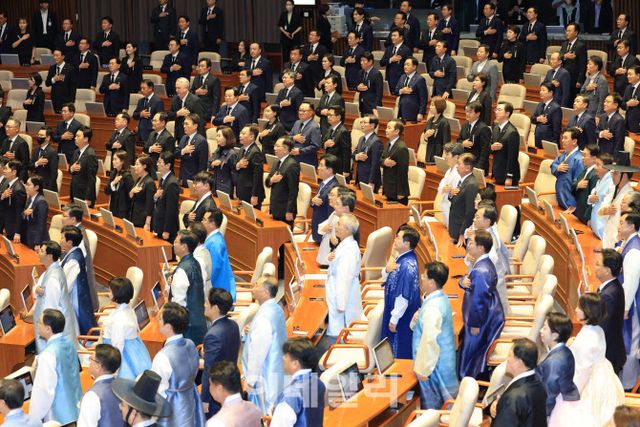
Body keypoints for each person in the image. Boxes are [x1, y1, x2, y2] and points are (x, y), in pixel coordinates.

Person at [570, 293, 625, 425]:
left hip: (590, 382)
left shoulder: (587, 338)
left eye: (579, 307)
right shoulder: (597, 329)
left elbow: (582, 372)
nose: (576, 310)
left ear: (588, 311)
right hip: (603, 375)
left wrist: (571, 395)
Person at [412, 261, 459, 409]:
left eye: (424, 276)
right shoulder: (440, 298)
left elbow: (429, 341)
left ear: (432, 283)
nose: (421, 278)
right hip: (443, 361)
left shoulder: (432, 308)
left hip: (434, 367)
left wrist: (423, 369)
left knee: (434, 408)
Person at [458, 230, 504, 378]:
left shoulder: (481, 271)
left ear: (480, 248)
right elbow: (470, 281)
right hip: (487, 312)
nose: (468, 245)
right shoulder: (482, 263)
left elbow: (479, 300)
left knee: (473, 351)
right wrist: (462, 282)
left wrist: (475, 324)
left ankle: (471, 379)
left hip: (481, 319)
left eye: (471, 243)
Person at [152, 302, 205, 426]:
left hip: (173, 406)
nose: (158, 321)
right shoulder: (190, 343)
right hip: (191, 397)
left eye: (160, 319)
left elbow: (159, 393)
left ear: (168, 327)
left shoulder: (162, 357)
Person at [242, 275, 287, 414]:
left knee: (263, 414)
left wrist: (250, 381)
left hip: (264, 377)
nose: (253, 288)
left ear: (266, 292)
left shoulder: (263, 318)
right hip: (278, 371)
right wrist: (251, 330)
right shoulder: (277, 308)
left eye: (257, 285)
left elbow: (257, 353)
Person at [30, 309, 82, 425]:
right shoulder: (70, 344)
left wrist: (33, 418)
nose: (37, 324)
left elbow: (44, 391)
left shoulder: (47, 355)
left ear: (48, 329)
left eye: (39, 322)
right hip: (76, 408)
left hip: (59, 417)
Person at [380, 226, 421, 359]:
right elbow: (389, 277)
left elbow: (403, 296)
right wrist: (386, 270)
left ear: (406, 244)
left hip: (401, 317)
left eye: (398, 238)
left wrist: (394, 319)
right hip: (393, 309)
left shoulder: (407, 266)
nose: (395, 240)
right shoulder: (404, 258)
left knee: (397, 350)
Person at [29, 241, 76, 353]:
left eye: (42, 251)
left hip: (53, 331)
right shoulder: (53, 270)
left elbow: (51, 309)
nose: (39, 253)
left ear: (50, 256)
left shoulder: (52, 279)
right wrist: (36, 289)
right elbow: (39, 288)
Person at [102, 277, 152, 380]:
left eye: (110, 291)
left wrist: (113, 371)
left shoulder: (118, 320)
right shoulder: (128, 309)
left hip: (123, 356)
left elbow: (117, 346)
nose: (108, 294)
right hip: (134, 350)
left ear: (116, 294)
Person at [201, 289, 239, 417]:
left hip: (217, 394)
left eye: (207, 303)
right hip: (231, 385)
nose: (204, 305)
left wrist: (204, 399)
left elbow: (208, 370)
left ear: (215, 308)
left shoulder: (213, 335)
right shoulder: (233, 325)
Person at [491, 339, 547, 426]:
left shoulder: (513, 398)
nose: (506, 359)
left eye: (509, 355)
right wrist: (500, 406)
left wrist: (504, 405)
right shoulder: (539, 386)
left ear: (519, 363)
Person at [324, 214, 362, 340]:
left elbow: (344, 279)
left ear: (347, 230)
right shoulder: (345, 244)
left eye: (339, 224)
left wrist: (341, 304)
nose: (336, 226)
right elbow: (336, 261)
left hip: (342, 295)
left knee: (339, 329)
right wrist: (330, 258)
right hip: (335, 289)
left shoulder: (349, 250)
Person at [271, 338, 325, 426]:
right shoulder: (318, 383)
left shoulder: (289, 398)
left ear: (295, 364)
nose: (283, 358)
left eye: (286, 356)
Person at [536, 312, 580, 419]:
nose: (540, 331)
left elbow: (549, 396)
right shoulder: (565, 351)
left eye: (545, 328)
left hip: (552, 412)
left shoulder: (554, 362)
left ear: (555, 335)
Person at [170, 230, 207, 346]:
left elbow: (178, 303)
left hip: (187, 327)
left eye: (176, 242)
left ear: (184, 247)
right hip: (200, 320)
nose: (173, 244)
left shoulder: (182, 270)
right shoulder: (197, 263)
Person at [60, 225, 96, 336]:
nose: (60, 240)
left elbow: (65, 288)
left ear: (70, 242)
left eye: (62, 238)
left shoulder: (73, 261)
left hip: (76, 301)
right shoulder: (75, 251)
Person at [595, 249, 626, 374]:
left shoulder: (609, 295)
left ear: (607, 271)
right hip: (609, 351)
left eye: (598, 264)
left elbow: (601, 328)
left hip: (608, 356)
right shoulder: (612, 287)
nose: (595, 267)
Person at [618, 213, 640, 389]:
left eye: (621, 223)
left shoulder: (634, 251)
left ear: (632, 226)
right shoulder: (629, 243)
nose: (618, 226)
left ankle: (628, 383)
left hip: (632, 305)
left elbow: (631, 282)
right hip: (629, 302)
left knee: (631, 343)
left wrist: (625, 309)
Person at [77, 343, 122, 427]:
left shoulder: (92, 396)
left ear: (98, 366)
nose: (89, 362)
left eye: (91, 359)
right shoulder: (122, 388)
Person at [206, 362, 262, 426]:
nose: (209, 388)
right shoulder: (254, 408)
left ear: (219, 388)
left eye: (210, 384)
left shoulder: (216, 422)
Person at [599, 162, 638, 248]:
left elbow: (628, 226)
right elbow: (600, 211)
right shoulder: (614, 190)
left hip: (617, 243)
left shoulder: (630, 196)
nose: (612, 176)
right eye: (612, 173)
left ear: (624, 175)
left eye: (615, 173)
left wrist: (618, 245)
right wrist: (606, 211)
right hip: (607, 237)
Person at [316, 187, 356, 266]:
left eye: (337, 204)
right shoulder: (335, 213)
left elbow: (345, 245)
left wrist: (335, 243)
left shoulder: (348, 223)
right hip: (329, 257)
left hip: (338, 262)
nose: (329, 197)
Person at [202, 208, 236, 299]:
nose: (202, 222)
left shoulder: (216, 243)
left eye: (204, 220)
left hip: (218, 292)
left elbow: (214, 269)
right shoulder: (213, 238)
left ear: (212, 224)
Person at [266, 136, 300, 225]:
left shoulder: (292, 165)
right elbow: (267, 182)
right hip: (275, 207)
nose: (274, 148)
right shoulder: (276, 162)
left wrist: (289, 211)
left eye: (277, 146)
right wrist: (272, 180)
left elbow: (293, 190)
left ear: (285, 149)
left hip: (285, 210)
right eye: (275, 145)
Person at [449, 153, 479, 243]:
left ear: (467, 168)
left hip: (461, 232)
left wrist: (462, 233)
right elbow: (457, 201)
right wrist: (451, 194)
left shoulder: (471, 185)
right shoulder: (463, 180)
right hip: (455, 226)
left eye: (459, 164)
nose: (456, 166)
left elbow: (470, 212)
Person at [552, 128, 585, 210]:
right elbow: (553, 164)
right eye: (562, 137)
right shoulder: (564, 154)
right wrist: (557, 168)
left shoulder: (579, 159)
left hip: (570, 201)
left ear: (574, 141)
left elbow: (578, 184)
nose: (562, 140)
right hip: (560, 197)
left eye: (565, 138)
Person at [235, 125, 265, 209]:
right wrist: (238, 165)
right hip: (242, 190)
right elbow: (235, 166)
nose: (240, 135)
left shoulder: (255, 152)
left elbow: (258, 175)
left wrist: (254, 195)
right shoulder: (242, 149)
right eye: (240, 133)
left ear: (251, 137)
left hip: (251, 193)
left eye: (243, 133)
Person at [152, 151, 180, 243]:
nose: (157, 164)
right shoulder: (163, 179)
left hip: (167, 228)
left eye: (160, 162)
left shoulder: (172, 183)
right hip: (160, 224)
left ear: (168, 165)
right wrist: (155, 197)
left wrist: (167, 230)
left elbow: (171, 209)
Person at [310, 154, 339, 243]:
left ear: (329, 170)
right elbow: (316, 202)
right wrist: (312, 201)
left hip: (325, 234)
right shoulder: (324, 183)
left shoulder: (333, 188)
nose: (318, 168)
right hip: (318, 230)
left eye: (321, 165)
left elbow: (332, 214)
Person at [490, 102, 520, 186]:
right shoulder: (496, 127)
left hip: (507, 176)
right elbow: (490, 144)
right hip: (497, 171)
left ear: (507, 114)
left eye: (499, 110)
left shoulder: (512, 132)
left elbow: (513, 157)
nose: (496, 112)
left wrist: (509, 177)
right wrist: (491, 147)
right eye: (496, 109)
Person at [168, 77, 206, 141]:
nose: (176, 90)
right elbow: (169, 115)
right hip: (179, 134)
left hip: (191, 135)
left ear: (186, 88)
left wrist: (198, 139)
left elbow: (200, 121)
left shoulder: (195, 100)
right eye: (176, 88)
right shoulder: (175, 99)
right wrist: (177, 113)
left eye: (179, 88)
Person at [381, 120, 409, 205]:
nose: (386, 130)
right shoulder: (388, 144)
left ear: (397, 131)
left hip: (397, 192)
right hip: (389, 188)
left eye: (389, 128)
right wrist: (384, 162)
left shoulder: (401, 148)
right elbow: (381, 159)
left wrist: (401, 192)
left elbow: (403, 171)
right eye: (386, 127)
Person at [458, 102, 491, 173]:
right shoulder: (465, 125)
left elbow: (485, 151)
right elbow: (458, 140)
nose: (467, 114)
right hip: (465, 162)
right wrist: (462, 143)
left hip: (476, 164)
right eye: (467, 111)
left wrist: (478, 168)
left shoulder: (483, 128)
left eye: (470, 112)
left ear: (478, 114)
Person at [69, 126, 98, 207]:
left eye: (78, 136)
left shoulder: (90, 155)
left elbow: (91, 179)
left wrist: (88, 198)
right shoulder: (76, 152)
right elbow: (70, 170)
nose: (75, 138)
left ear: (86, 139)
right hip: (75, 192)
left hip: (84, 196)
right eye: (75, 136)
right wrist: (71, 168)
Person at [176, 114, 208, 186]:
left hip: (193, 180)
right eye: (184, 124)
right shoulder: (184, 138)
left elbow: (202, 165)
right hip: (182, 178)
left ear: (195, 126)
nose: (184, 126)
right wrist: (183, 151)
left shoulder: (201, 141)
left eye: (187, 124)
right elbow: (176, 153)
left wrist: (198, 182)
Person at [559, 22, 587, 103]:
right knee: (564, 97)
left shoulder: (581, 45)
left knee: (572, 98)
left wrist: (580, 80)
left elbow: (583, 64)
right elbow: (560, 57)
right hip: (564, 75)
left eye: (569, 31)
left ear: (576, 33)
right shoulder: (564, 44)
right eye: (566, 30)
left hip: (574, 77)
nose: (567, 33)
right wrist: (565, 56)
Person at [571, 144, 600, 223]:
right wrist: (577, 185)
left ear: (594, 158)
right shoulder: (585, 170)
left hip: (586, 216)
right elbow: (574, 185)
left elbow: (592, 200)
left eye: (585, 155)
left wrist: (588, 218)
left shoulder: (595, 175)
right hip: (580, 212)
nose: (582, 158)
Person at [437, 143, 463, 227]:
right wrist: (445, 189)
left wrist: (450, 191)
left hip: (452, 212)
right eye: (444, 153)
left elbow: (456, 193)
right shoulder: (449, 171)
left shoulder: (458, 173)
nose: (444, 157)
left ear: (456, 157)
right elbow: (440, 187)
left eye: (447, 154)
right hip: (445, 208)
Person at [589, 153, 615, 238]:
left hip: (603, 227)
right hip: (596, 225)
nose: (595, 167)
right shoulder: (599, 180)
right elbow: (593, 196)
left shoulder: (611, 183)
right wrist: (591, 199)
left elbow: (606, 206)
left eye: (598, 165)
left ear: (607, 167)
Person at [353, 116, 382, 191]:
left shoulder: (376, 141)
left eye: (364, 122)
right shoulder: (361, 138)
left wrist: (371, 181)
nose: (362, 124)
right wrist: (357, 156)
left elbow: (375, 164)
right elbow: (354, 153)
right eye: (361, 122)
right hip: (360, 177)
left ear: (372, 125)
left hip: (369, 179)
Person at [20, 175, 49, 249]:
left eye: (29, 185)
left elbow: (41, 224)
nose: (26, 186)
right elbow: (24, 214)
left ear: (36, 187)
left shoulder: (41, 202)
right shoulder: (30, 198)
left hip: (36, 240)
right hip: (28, 235)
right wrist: (24, 213)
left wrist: (37, 243)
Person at [380, 28, 411, 96]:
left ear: (401, 37)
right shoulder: (389, 48)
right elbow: (381, 63)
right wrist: (390, 60)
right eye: (392, 36)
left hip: (400, 80)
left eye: (395, 36)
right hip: (389, 79)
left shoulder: (406, 50)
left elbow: (409, 66)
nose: (392, 38)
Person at [397, 57, 428, 123]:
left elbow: (423, 98)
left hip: (413, 112)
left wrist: (421, 113)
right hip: (401, 110)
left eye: (408, 65)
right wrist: (401, 91)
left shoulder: (420, 79)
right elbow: (396, 90)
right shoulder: (402, 77)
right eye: (404, 64)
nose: (405, 67)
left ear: (414, 67)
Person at [45, 50, 76, 114]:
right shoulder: (52, 68)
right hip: (54, 99)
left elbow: (73, 86)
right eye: (54, 55)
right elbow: (47, 83)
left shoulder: (70, 68)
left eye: (57, 55)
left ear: (63, 56)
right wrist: (54, 79)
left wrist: (71, 101)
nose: (55, 57)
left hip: (66, 100)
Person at [531, 82, 562, 147]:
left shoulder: (556, 108)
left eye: (543, 90)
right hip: (538, 139)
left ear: (551, 93)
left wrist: (553, 144)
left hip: (549, 141)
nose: (540, 92)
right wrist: (537, 119)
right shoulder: (540, 104)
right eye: (540, 90)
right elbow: (532, 119)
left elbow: (556, 129)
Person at [105, 150, 134, 219]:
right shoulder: (113, 174)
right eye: (113, 159)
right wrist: (113, 183)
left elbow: (130, 196)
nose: (113, 161)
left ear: (122, 161)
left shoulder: (127, 176)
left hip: (123, 212)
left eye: (115, 159)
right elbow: (106, 191)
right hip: (113, 208)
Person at [322, 106, 350, 176]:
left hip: (338, 166)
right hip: (329, 163)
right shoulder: (330, 128)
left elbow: (346, 152)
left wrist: (346, 170)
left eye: (331, 115)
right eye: (328, 115)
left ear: (338, 117)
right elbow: (323, 143)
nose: (328, 117)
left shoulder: (343, 132)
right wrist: (325, 144)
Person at [143, 113, 175, 177]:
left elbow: (169, 157)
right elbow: (145, 148)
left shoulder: (168, 137)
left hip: (159, 171)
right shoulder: (152, 134)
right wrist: (151, 149)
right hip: (150, 169)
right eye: (152, 120)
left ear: (163, 123)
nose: (152, 122)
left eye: (155, 121)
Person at [1, 160, 26, 241]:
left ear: (14, 172)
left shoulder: (19, 189)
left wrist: (17, 232)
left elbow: (19, 212)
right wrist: (2, 196)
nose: (4, 170)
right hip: (3, 223)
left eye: (6, 169)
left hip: (11, 228)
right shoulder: (6, 183)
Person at [134, 80, 165, 145]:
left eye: (144, 88)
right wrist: (141, 114)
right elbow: (134, 115)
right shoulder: (141, 101)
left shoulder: (157, 101)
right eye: (141, 88)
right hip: (140, 132)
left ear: (150, 88)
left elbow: (161, 118)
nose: (142, 90)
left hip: (151, 132)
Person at [129, 155, 156, 229]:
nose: (135, 166)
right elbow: (131, 196)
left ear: (144, 166)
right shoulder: (138, 179)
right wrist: (131, 192)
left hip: (142, 220)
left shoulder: (150, 182)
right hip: (134, 216)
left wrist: (147, 223)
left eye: (137, 164)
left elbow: (150, 204)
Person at [209, 126, 236, 196]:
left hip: (225, 187)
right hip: (215, 185)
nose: (216, 138)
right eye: (216, 135)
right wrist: (212, 163)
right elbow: (209, 165)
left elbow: (235, 172)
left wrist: (221, 163)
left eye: (219, 136)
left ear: (226, 137)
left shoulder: (232, 153)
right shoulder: (218, 150)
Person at [422, 96, 451, 163]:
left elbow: (446, 142)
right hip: (429, 151)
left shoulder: (444, 122)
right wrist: (426, 136)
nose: (430, 107)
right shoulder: (430, 120)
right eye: (430, 105)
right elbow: (425, 138)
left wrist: (443, 159)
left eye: (433, 105)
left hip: (438, 153)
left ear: (439, 107)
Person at [30, 127, 58, 192]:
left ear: (48, 138)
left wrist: (48, 190)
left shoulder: (52, 152)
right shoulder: (36, 149)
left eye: (41, 135)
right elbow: (30, 166)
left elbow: (54, 174)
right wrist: (37, 163)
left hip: (47, 186)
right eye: (38, 135)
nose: (39, 137)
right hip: (36, 184)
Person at [357, 51, 383, 116]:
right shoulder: (360, 72)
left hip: (372, 106)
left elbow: (379, 94)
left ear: (370, 61)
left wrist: (375, 107)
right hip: (362, 105)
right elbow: (357, 86)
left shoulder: (376, 74)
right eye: (361, 60)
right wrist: (358, 87)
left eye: (364, 60)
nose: (361, 63)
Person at [622, 65, 640, 134]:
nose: (628, 76)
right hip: (627, 125)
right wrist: (628, 104)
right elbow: (622, 105)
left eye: (630, 74)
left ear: (638, 76)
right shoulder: (628, 88)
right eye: (627, 74)